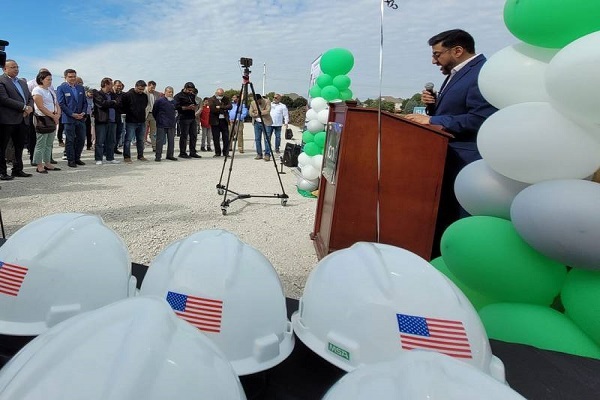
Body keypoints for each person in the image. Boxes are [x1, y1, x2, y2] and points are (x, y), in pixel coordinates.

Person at [404, 29, 498, 257]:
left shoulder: (482, 73)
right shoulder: (457, 73)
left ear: (457, 50)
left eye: (437, 55)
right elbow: (457, 111)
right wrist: (433, 106)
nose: (434, 61)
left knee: (458, 222)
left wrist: (433, 119)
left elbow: (480, 119)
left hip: (466, 164)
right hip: (447, 160)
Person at [0, 59, 34, 179]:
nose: (16, 69)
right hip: (7, 120)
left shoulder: (22, 82)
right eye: (13, 67)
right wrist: (24, 107)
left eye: (17, 67)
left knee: (19, 146)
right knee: (2, 147)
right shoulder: (1, 80)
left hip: (23, 119)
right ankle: (2, 172)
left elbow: (30, 97)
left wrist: (29, 107)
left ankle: (17, 169)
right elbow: (4, 99)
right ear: (5, 69)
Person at [31, 70, 61, 174]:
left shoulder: (51, 90)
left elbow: (56, 103)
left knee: (49, 143)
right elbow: (40, 106)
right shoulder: (37, 90)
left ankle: (47, 163)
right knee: (41, 143)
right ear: (41, 79)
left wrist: (58, 114)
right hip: (43, 119)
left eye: (51, 79)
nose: (50, 81)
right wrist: (54, 116)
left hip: (52, 118)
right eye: (48, 79)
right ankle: (39, 165)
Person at [56, 69, 87, 168]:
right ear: (65, 77)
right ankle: (71, 159)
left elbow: (85, 102)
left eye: (74, 76)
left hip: (81, 118)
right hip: (69, 119)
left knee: (81, 139)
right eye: (70, 77)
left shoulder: (81, 88)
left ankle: (77, 158)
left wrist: (83, 112)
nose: (73, 78)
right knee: (70, 140)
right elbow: (61, 103)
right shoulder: (61, 88)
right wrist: (72, 114)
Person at [92, 77, 120, 165]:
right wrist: (112, 102)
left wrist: (111, 102)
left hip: (112, 121)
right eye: (111, 84)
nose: (112, 86)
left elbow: (119, 102)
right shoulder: (97, 94)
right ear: (106, 84)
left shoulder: (113, 94)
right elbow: (102, 104)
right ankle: (99, 158)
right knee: (100, 141)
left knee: (111, 141)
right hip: (101, 120)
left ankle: (110, 157)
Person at [121, 80, 149, 163]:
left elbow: (145, 105)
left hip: (141, 121)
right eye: (139, 89)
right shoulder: (128, 95)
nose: (141, 91)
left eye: (142, 89)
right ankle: (126, 156)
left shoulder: (144, 96)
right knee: (128, 139)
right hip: (131, 121)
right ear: (135, 86)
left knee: (140, 140)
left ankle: (140, 155)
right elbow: (124, 106)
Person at [174, 82, 200, 159]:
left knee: (194, 135)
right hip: (183, 118)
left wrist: (194, 106)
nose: (190, 91)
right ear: (185, 88)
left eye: (191, 90)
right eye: (189, 90)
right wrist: (186, 107)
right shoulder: (178, 96)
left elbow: (195, 103)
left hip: (192, 117)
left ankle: (192, 152)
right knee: (184, 136)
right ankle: (182, 152)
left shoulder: (192, 95)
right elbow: (176, 106)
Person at [153, 86, 177, 162]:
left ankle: (170, 155)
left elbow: (176, 112)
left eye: (172, 92)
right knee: (159, 141)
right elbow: (154, 111)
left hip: (171, 124)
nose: (171, 93)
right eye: (169, 92)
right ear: (165, 92)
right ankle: (158, 156)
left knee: (171, 141)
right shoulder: (159, 101)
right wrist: (159, 119)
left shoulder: (174, 102)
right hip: (161, 124)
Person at [208, 88, 232, 157]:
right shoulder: (211, 99)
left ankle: (226, 152)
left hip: (224, 121)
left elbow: (230, 106)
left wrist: (220, 107)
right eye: (219, 95)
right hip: (215, 121)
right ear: (216, 93)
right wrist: (224, 108)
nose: (221, 96)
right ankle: (217, 152)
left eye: (222, 95)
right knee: (216, 138)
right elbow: (213, 109)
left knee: (226, 138)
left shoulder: (226, 98)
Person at [249, 94, 272, 161]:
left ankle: (267, 154)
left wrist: (257, 112)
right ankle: (259, 154)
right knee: (257, 139)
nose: (256, 102)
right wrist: (257, 113)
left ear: (260, 99)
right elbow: (250, 113)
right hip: (256, 123)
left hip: (266, 123)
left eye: (258, 101)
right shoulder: (252, 103)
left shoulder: (267, 101)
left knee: (267, 139)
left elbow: (267, 111)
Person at [145, 80, 160, 152]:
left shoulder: (157, 94)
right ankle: (141, 147)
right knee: (143, 131)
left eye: (154, 87)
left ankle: (154, 146)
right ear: (148, 86)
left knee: (154, 132)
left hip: (154, 114)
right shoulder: (144, 93)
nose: (153, 89)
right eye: (151, 87)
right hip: (145, 114)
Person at [112, 80, 125, 154]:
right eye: (117, 86)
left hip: (119, 116)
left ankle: (115, 148)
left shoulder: (123, 95)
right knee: (111, 134)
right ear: (114, 85)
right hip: (111, 116)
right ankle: (107, 149)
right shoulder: (111, 94)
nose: (119, 87)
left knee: (118, 133)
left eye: (120, 86)